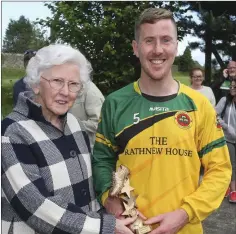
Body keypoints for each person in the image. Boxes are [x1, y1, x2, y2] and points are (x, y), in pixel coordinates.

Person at [92, 8, 232, 234]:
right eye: (149, 41)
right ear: (136, 48)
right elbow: (102, 159)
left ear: (176, 46)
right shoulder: (115, 103)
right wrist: (108, 196)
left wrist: (186, 212)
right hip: (129, 228)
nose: (157, 49)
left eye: (166, 40)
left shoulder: (199, 105)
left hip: (185, 228)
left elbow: (220, 170)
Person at [2, 44, 136, 234]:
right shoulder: (11, 133)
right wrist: (106, 226)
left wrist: (109, 208)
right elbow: (36, 206)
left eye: (73, 84)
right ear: (36, 84)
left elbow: (87, 192)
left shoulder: (74, 124)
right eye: (57, 81)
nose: (65, 92)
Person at [215, 79, 236, 203]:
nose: (231, 88)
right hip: (227, 138)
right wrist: (227, 127)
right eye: (231, 86)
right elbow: (215, 115)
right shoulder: (225, 100)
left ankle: (228, 187)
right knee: (232, 163)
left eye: (234, 86)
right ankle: (233, 190)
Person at [70, 80, 105, 150]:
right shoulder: (69, 87)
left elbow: (98, 124)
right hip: (75, 145)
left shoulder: (91, 92)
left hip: (91, 148)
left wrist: (69, 124)